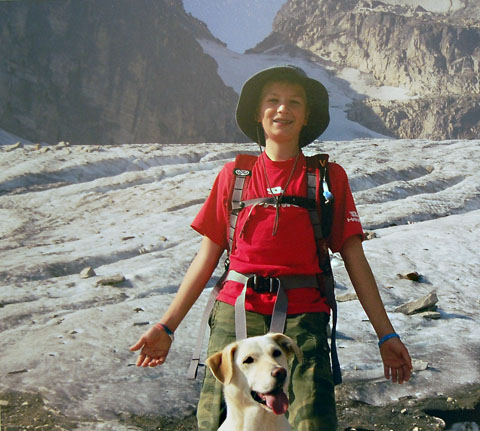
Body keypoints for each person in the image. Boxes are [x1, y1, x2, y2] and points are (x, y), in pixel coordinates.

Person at [130, 65, 413, 431]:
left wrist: (386, 334)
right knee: (219, 418)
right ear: (257, 112)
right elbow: (207, 257)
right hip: (236, 311)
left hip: (303, 316)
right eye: (273, 101)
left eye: (294, 102)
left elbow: (355, 257)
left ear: (307, 115)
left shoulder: (328, 177)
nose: (283, 109)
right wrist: (166, 327)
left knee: (311, 419)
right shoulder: (233, 176)